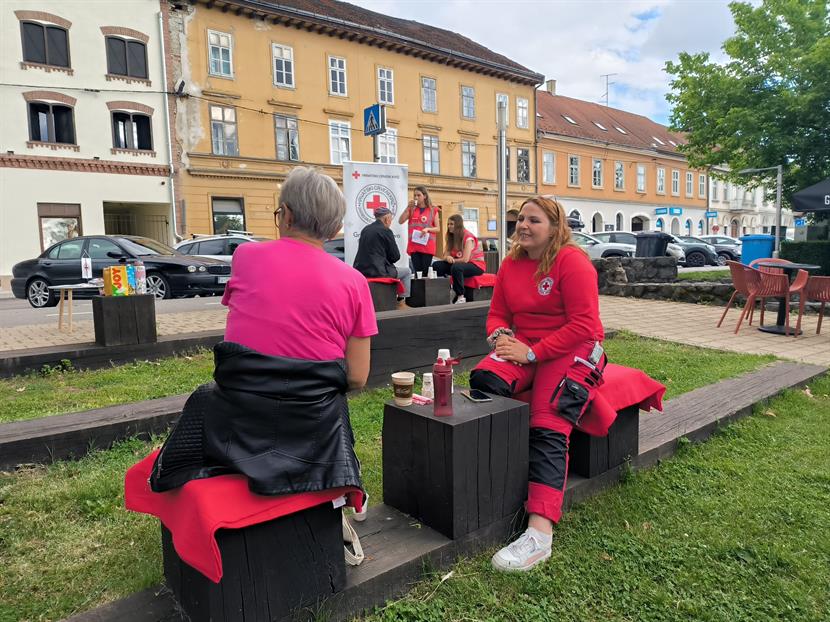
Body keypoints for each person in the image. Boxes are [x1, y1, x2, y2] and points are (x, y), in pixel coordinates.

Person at [150, 166, 376, 506]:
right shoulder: (355, 282)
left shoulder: (246, 256)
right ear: (334, 227)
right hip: (312, 423)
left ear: (285, 214)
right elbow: (357, 377)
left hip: (240, 415)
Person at [468, 196, 604, 572]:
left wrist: (533, 354)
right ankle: (498, 476)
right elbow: (498, 312)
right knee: (484, 381)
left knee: (548, 423)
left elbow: (585, 326)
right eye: (520, 219)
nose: (523, 226)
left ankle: (539, 534)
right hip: (525, 345)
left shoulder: (572, 262)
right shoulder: (511, 263)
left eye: (534, 220)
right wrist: (501, 337)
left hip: (572, 349)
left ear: (555, 227)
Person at [353, 206, 412, 309]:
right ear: (386, 219)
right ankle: (401, 303)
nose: (390, 222)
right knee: (407, 272)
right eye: (390, 220)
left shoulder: (365, 230)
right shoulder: (386, 231)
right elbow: (395, 256)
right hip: (378, 271)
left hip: (360, 270)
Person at [432, 213, 485, 304]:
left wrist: (452, 260)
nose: (449, 226)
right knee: (437, 265)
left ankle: (461, 296)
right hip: (458, 263)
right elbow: (445, 255)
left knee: (456, 267)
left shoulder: (468, 237)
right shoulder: (451, 237)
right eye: (448, 224)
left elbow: (465, 259)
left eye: (451, 224)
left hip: (476, 265)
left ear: (458, 225)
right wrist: (447, 257)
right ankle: (444, 291)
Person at [398, 186, 439, 276]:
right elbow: (400, 221)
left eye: (418, 195)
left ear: (424, 196)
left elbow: (438, 228)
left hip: (427, 246)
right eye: (414, 195)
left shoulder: (433, 209)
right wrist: (407, 207)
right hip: (414, 246)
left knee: (425, 272)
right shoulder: (411, 208)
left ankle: (426, 290)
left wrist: (428, 229)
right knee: (417, 273)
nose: (416, 197)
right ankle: (417, 290)